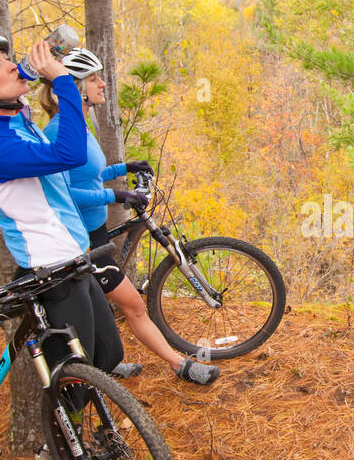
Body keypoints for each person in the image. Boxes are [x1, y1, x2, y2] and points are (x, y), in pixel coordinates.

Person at [0, 26, 127, 389]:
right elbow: (68, 153)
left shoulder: (14, 119)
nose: (10, 67)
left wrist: (33, 72)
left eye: (7, 59)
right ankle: (63, 446)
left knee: (109, 355)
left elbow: (61, 173)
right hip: (47, 267)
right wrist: (63, 79)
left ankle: (84, 428)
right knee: (73, 378)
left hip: (72, 257)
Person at [38, 47, 220, 386]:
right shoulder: (57, 131)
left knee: (102, 311)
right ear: (76, 87)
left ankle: (104, 363)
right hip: (81, 242)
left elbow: (86, 175)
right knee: (134, 306)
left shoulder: (78, 124)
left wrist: (125, 167)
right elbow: (63, 192)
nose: (103, 84)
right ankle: (180, 364)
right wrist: (117, 195)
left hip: (95, 233)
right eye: (94, 79)